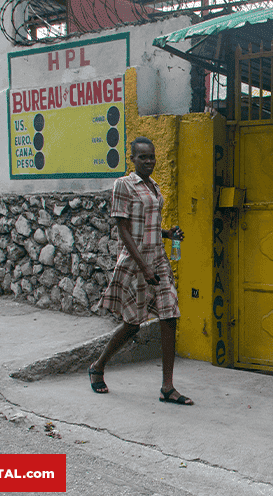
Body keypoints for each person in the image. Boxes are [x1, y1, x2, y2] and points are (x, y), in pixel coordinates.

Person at [89, 136, 193, 406]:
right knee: (132, 324)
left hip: (157, 258)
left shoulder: (154, 187)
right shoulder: (123, 185)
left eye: (152, 157)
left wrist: (168, 233)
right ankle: (98, 366)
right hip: (136, 262)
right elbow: (123, 228)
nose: (149, 161)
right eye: (143, 157)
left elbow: (146, 225)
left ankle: (167, 387)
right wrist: (143, 266)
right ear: (132, 159)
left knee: (170, 316)